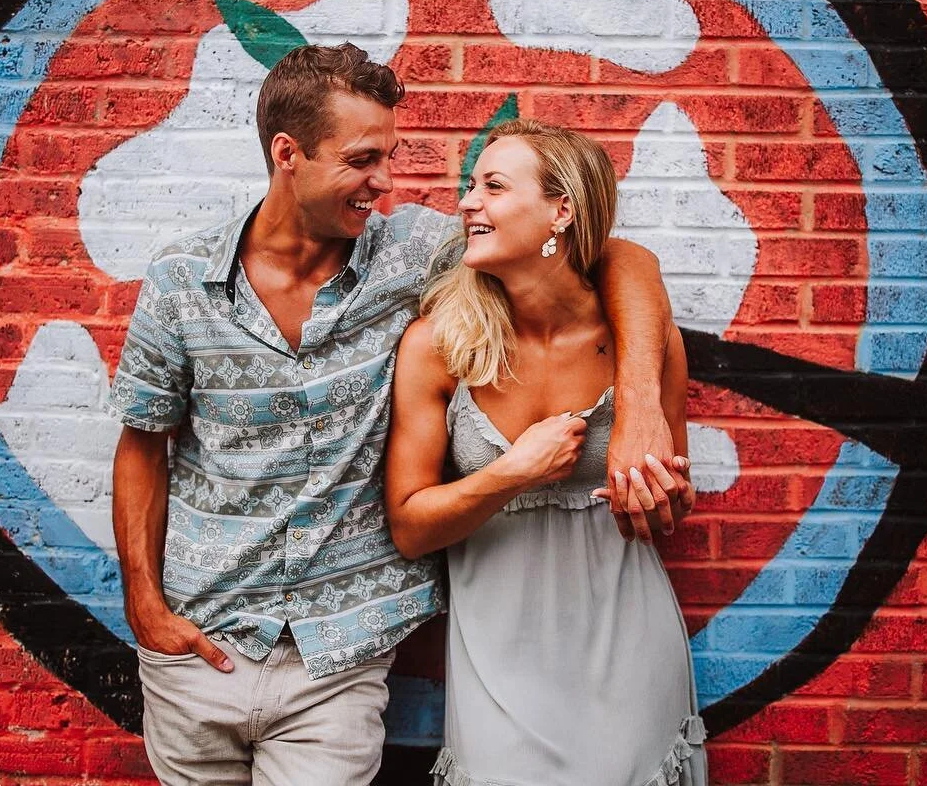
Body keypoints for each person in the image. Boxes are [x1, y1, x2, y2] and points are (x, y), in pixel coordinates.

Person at [105, 44, 686, 785]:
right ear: (288, 154)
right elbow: (141, 445)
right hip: (200, 645)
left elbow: (615, 256)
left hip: (341, 654)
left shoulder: (412, 249)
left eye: (390, 156)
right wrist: (145, 609)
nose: (385, 181)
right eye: (362, 159)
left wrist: (638, 401)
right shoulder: (183, 281)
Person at [385, 118, 707, 786]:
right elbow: (410, 527)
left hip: (627, 637)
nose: (469, 201)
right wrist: (512, 472)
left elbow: (668, 502)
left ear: (562, 209)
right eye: (470, 186)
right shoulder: (438, 345)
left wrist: (664, 499)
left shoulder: (643, 341)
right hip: (498, 651)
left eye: (494, 186)